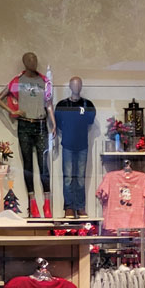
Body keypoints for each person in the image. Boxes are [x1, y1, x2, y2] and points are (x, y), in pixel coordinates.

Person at [0, 53, 57, 219]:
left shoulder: (44, 81)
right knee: (28, 165)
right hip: (24, 124)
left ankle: (47, 204)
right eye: (30, 60)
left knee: (44, 166)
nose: (33, 62)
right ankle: (33, 205)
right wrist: (13, 111)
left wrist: (53, 123)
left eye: (35, 59)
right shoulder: (17, 81)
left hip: (41, 124)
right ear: (24, 62)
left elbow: (48, 104)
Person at [54, 77, 96, 218]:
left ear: (82, 86)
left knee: (80, 177)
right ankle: (69, 207)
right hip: (67, 144)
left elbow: (90, 121)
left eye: (79, 85)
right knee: (68, 177)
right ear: (70, 86)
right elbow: (58, 123)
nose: (76, 87)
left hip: (82, 145)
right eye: (74, 85)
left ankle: (80, 207)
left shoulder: (87, 104)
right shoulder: (62, 105)